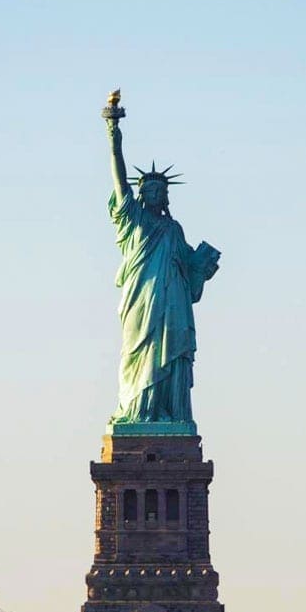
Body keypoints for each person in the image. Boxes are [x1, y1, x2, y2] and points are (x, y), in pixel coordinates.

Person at [104, 115, 220, 425]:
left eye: (160, 191)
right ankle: (139, 412)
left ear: (165, 196)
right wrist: (114, 138)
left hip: (174, 306)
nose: (155, 195)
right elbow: (119, 180)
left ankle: (170, 413)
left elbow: (190, 276)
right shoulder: (133, 221)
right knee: (138, 355)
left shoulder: (174, 229)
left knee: (173, 353)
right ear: (141, 195)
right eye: (149, 190)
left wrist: (202, 267)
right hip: (141, 304)